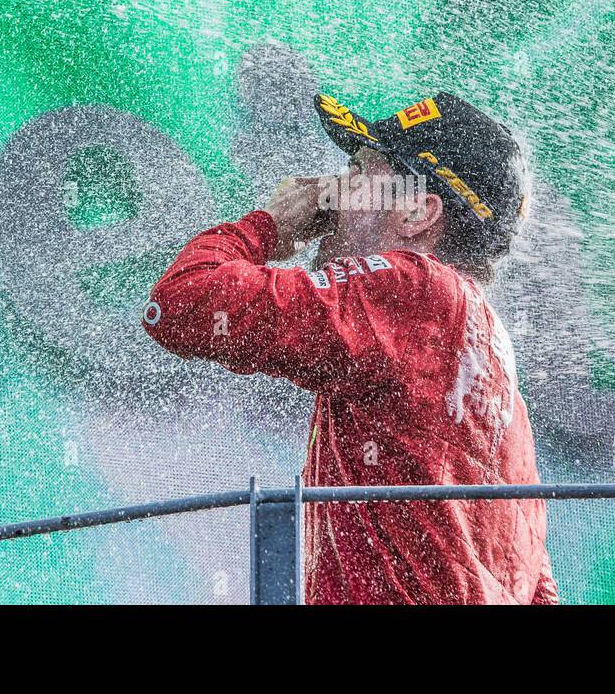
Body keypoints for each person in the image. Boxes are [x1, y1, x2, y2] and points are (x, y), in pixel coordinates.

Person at [142, 91, 558, 604]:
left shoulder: (415, 289)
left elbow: (181, 304)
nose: (334, 190)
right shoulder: (491, 354)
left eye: (360, 171)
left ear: (417, 214)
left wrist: (268, 225)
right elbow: (533, 577)